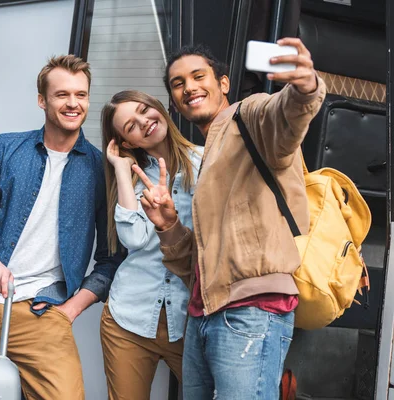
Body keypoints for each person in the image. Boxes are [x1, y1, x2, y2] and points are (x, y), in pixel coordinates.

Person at [132, 38, 326, 399]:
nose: (188, 87)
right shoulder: (211, 153)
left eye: (197, 76)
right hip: (204, 314)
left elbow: (286, 115)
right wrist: (168, 224)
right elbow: (199, 265)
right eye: (178, 83)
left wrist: (305, 86)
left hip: (250, 312)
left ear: (223, 84)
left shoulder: (249, 117)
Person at [0, 54, 122, 400]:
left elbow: (110, 258)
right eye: (62, 94)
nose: (73, 103)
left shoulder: (100, 169)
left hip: (43, 313)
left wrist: (70, 310)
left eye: (80, 95)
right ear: (42, 100)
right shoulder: (5, 149)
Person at [99, 90, 202, 399]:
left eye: (145, 110)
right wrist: (120, 168)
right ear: (128, 142)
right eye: (131, 125)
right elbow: (133, 239)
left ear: (158, 108)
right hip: (129, 318)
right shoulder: (134, 178)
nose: (144, 122)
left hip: (190, 321)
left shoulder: (206, 162)